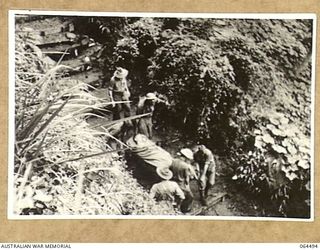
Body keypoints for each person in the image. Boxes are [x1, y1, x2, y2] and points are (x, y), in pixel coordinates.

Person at [170, 148, 197, 213]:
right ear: (185, 157)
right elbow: (187, 179)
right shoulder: (185, 166)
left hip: (172, 180)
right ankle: (184, 209)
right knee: (190, 197)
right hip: (180, 184)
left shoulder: (173, 161)